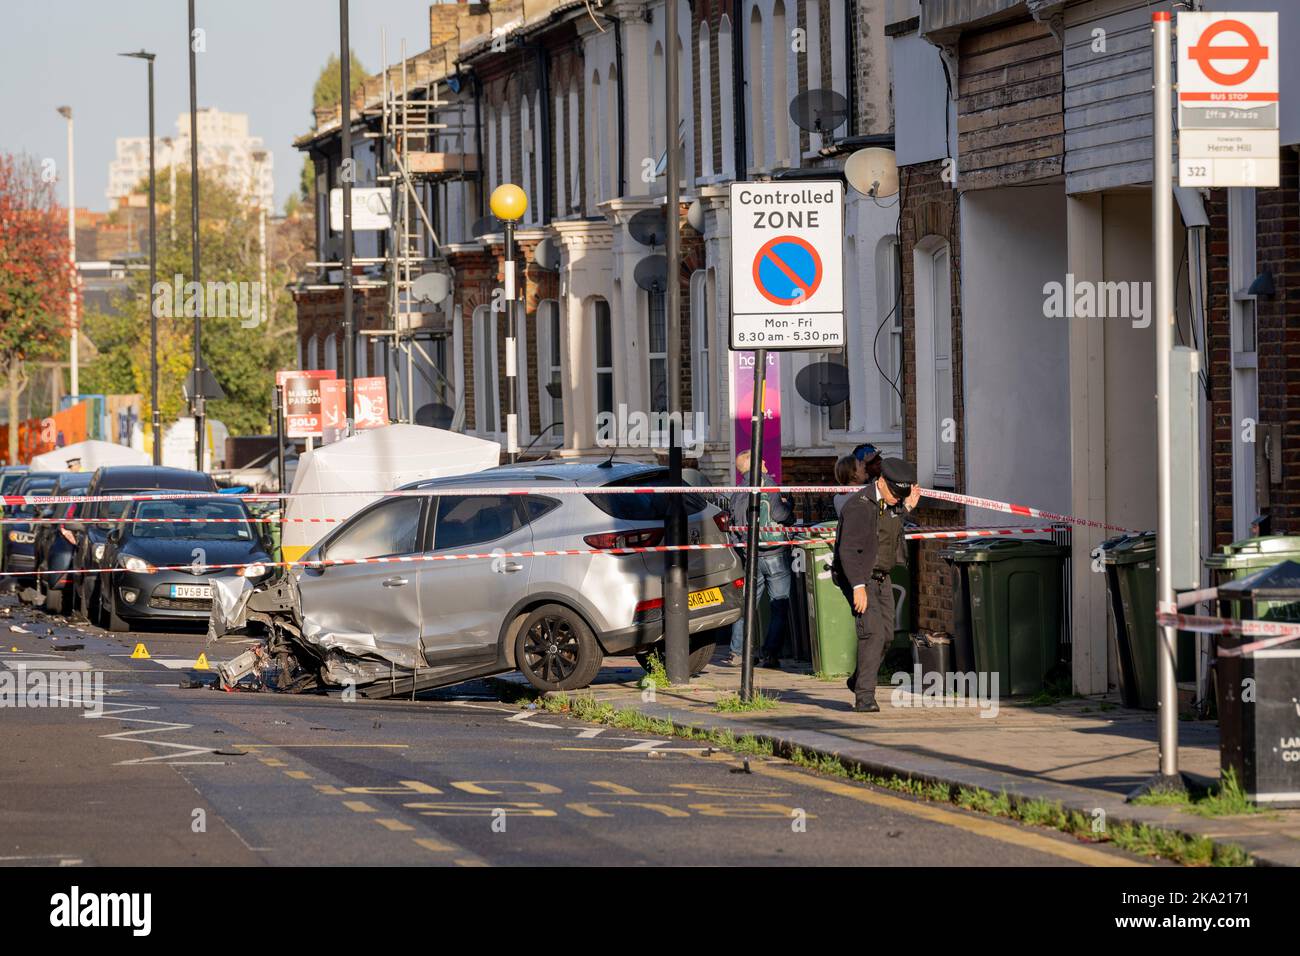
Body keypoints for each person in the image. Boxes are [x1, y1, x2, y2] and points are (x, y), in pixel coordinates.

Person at [833, 457, 922, 712]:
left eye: (901, 494)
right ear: (881, 482)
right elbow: (848, 550)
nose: (898, 498)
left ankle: (858, 679)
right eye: (895, 493)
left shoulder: (890, 503)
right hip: (860, 576)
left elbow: (887, 526)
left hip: (882, 577)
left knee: (886, 636)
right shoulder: (859, 506)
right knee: (871, 633)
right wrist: (858, 586)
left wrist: (906, 508)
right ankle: (865, 698)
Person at [726, 450, 794, 669]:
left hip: (751, 555)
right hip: (773, 553)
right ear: (753, 463)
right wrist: (789, 507)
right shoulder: (769, 484)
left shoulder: (737, 493)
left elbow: (733, 525)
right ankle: (769, 654)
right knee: (779, 604)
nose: (765, 461)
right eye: (761, 459)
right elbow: (780, 515)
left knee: (747, 606)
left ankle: (737, 653)